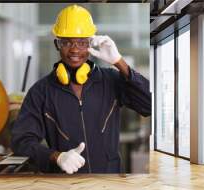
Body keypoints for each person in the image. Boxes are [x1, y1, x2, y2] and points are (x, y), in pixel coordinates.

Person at [11, 5, 151, 174]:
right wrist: (57, 157)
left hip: (110, 186)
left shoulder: (111, 80)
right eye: (66, 42)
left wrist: (119, 62)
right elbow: (21, 142)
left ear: (91, 44)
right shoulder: (41, 91)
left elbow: (149, 105)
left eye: (82, 42)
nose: (74, 49)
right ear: (57, 44)